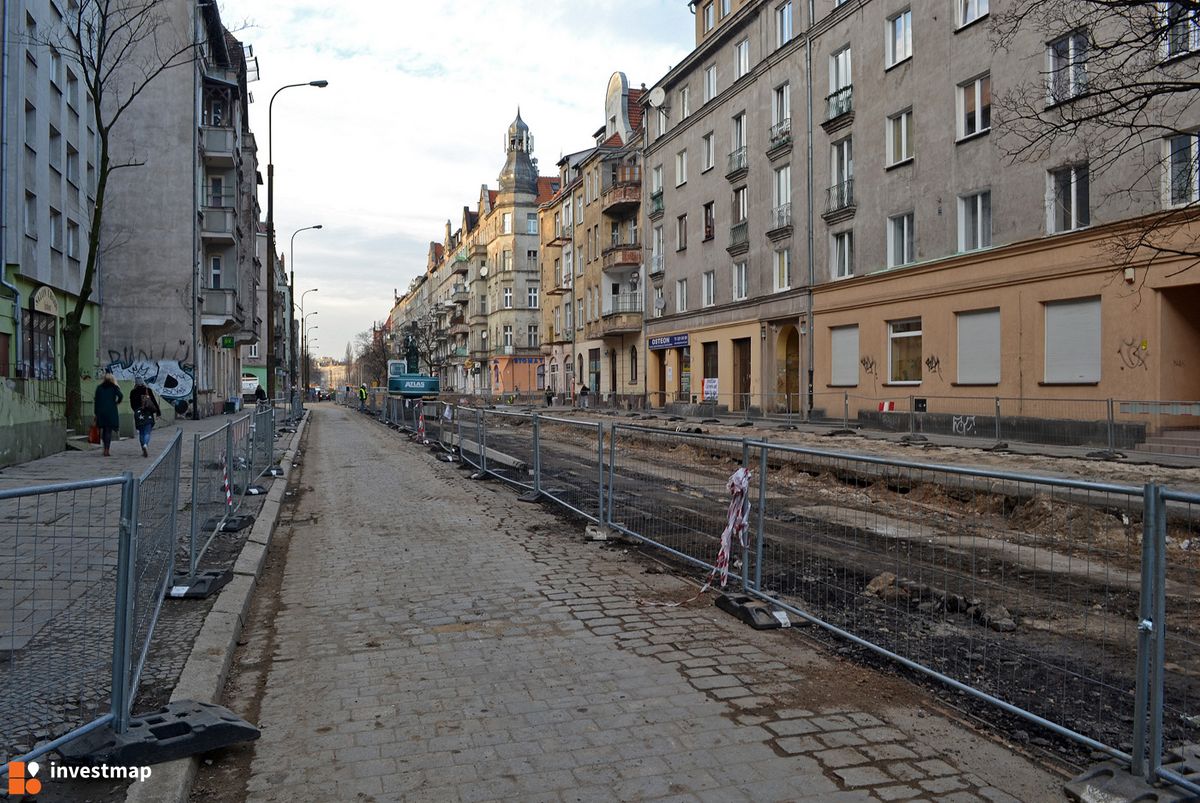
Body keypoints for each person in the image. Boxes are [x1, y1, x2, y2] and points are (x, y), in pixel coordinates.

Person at [129, 377, 162, 457]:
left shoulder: (133, 392)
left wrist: (137, 410)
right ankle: (145, 445)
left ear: (135, 383)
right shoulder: (147, 390)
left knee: (141, 432)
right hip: (147, 412)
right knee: (147, 431)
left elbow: (132, 404)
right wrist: (158, 412)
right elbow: (153, 401)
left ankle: (142, 446)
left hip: (138, 413)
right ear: (143, 382)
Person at [93, 373, 123, 457]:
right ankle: (107, 449)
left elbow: (96, 401)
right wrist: (116, 403)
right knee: (108, 431)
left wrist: (95, 413)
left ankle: (104, 447)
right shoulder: (114, 388)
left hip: (101, 412)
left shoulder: (99, 388)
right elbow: (121, 395)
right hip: (111, 412)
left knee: (103, 430)